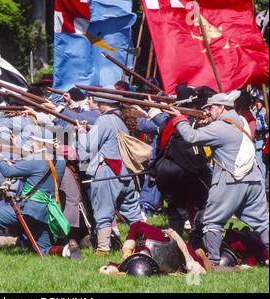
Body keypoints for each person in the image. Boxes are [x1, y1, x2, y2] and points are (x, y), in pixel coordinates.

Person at [164, 91, 269, 266]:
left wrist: (180, 119)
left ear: (221, 108)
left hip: (231, 179)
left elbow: (191, 137)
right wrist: (209, 122)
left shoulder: (220, 127)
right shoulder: (239, 120)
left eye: (211, 107)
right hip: (253, 179)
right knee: (263, 223)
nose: (208, 111)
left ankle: (213, 261)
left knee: (213, 220)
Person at [0, 129, 81, 260]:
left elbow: (7, 172)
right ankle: (66, 250)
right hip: (45, 212)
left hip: (28, 209)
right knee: (43, 249)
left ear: (42, 145)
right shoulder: (60, 161)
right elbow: (37, 176)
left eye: (33, 142)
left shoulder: (34, 159)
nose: (31, 145)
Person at [76, 86, 144, 255]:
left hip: (108, 172)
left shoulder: (105, 120)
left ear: (104, 102)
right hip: (125, 173)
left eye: (98, 100)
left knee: (103, 211)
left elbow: (89, 145)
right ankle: (146, 242)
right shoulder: (120, 118)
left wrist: (81, 131)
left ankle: (103, 249)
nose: (96, 103)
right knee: (133, 214)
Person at [149, 86, 211, 243]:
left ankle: (173, 244)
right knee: (203, 204)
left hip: (163, 170)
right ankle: (197, 242)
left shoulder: (166, 123)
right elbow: (196, 152)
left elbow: (158, 149)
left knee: (174, 210)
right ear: (191, 106)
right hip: (184, 170)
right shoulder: (190, 123)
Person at [98, 221, 211, 276]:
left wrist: (127, 249)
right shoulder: (155, 265)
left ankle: (202, 259)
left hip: (173, 241)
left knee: (194, 263)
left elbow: (135, 226)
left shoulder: (161, 265)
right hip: (171, 248)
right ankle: (199, 256)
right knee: (189, 262)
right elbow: (124, 266)